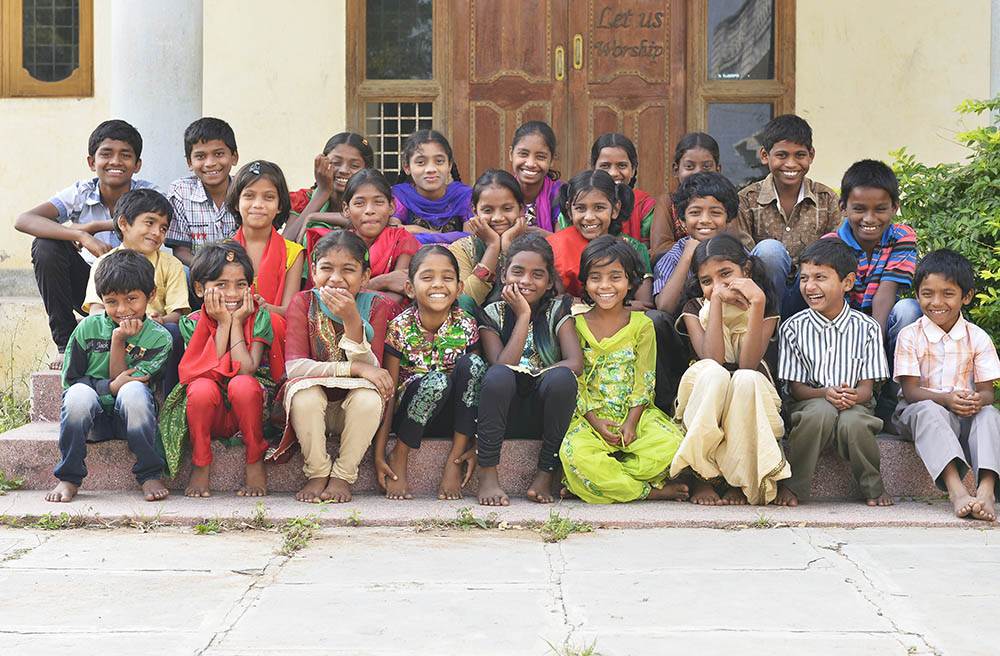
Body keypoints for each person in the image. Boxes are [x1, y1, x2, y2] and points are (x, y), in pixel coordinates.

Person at [559, 236, 689, 504]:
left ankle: (594, 482)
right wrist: (594, 421)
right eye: (595, 277)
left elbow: (645, 379)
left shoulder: (642, 324)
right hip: (588, 418)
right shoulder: (575, 323)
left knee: (672, 446)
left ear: (630, 281)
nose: (605, 285)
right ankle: (648, 491)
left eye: (615, 277)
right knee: (575, 454)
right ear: (585, 282)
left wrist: (631, 423)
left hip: (634, 416)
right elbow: (576, 380)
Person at [14, 119, 159, 358]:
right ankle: (66, 344)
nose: (115, 161)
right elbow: (24, 220)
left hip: (138, 289)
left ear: (137, 165)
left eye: (125, 155)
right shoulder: (82, 192)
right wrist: (80, 234)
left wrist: (94, 226)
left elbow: (146, 224)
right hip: (90, 288)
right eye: (106, 154)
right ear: (92, 162)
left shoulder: (148, 194)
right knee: (46, 245)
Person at [273, 231, 393, 503]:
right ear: (314, 271)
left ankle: (343, 476)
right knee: (305, 394)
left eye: (348, 270)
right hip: (311, 413)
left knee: (369, 398)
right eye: (327, 268)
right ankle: (317, 472)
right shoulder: (303, 302)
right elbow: (296, 368)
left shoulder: (375, 305)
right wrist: (353, 369)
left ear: (365, 276)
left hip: (354, 414)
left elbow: (373, 372)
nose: (336, 278)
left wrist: (352, 320)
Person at [157, 242, 285, 498]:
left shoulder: (258, 317)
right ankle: (201, 461)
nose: (232, 293)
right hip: (208, 411)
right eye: (221, 285)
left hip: (249, 410)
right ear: (199, 289)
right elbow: (207, 371)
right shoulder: (191, 322)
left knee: (242, 384)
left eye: (241, 284)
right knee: (201, 388)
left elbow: (246, 369)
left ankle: (254, 459)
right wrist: (223, 323)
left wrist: (236, 323)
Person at [46, 250, 171, 503]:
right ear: (101, 299)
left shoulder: (159, 338)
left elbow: (127, 382)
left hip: (132, 421)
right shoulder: (87, 328)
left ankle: (149, 474)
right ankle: (69, 477)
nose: (122, 309)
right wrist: (110, 386)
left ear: (151, 295)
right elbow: (71, 381)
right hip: (92, 422)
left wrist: (118, 341)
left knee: (133, 392)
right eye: (112, 301)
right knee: (77, 396)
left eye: (131, 298)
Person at [672, 235, 789, 505]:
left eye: (725, 274)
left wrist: (757, 304)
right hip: (708, 385)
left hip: (748, 387)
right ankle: (701, 476)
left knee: (745, 379)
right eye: (707, 281)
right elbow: (713, 358)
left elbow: (748, 364)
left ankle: (741, 479)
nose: (718, 286)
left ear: (746, 270)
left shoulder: (764, 305)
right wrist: (715, 303)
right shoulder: (695, 308)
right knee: (716, 375)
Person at [776, 238, 892, 507]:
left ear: (847, 282)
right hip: (809, 404)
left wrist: (852, 397)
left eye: (820, 277)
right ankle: (794, 485)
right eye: (804, 278)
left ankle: (873, 487)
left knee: (854, 422)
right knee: (821, 412)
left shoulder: (867, 328)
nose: (809, 286)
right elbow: (796, 389)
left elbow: (867, 389)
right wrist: (825, 394)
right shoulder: (792, 328)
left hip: (857, 404)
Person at [474, 233, 583, 506]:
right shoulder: (491, 313)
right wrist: (523, 315)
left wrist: (534, 375)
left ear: (549, 282)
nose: (526, 280)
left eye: (537, 275)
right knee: (498, 376)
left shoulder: (558, 310)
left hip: (545, 411)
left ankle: (546, 473)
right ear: (503, 275)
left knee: (562, 378)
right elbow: (502, 365)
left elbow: (575, 363)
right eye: (518, 272)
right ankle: (487, 474)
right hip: (503, 412)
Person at [893, 249, 1000, 521]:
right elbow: (911, 392)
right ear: (917, 295)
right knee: (930, 410)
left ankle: (986, 490)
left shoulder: (977, 338)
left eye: (948, 294)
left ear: (967, 296)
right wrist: (947, 400)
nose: (936, 302)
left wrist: (978, 400)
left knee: (990, 414)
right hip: (917, 413)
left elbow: (988, 393)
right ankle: (957, 491)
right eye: (927, 294)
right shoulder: (910, 335)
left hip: (963, 416)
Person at [374, 246, 485, 500]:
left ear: (459, 288)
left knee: (475, 365)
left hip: (453, 417)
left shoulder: (467, 324)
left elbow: (476, 387)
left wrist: (476, 444)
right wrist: (379, 454)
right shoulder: (400, 328)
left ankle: (454, 460)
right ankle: (400, 455)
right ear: (410, 288)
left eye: (447, 278)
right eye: (427, 277)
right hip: (409, 416)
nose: (438, 284)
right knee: (437, 381)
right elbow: (388, 394)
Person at [823, 159, 922, 420]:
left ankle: (894, 402)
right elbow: (832, 306)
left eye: (880, 209)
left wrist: (873, 343)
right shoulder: (831, 246)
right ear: (843, 207)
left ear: (895, 207)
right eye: (859, 209)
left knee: (909, 310)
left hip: (883, 323)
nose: (869, 219)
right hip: (843, 330)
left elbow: (886, 292)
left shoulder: (902, 237)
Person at [82, 188, 189, 395]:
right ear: (123, 223)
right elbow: (95, 310)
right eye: (149, 223)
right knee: (91, 329)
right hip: (114, 332)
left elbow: (178, 313)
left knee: (174, 332)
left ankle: (170, 398)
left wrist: (161, 321)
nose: (157, 232)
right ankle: (103, 394)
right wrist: (119, 323)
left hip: (152, 335)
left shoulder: (171, 265)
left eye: (163, 228)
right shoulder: (103, 263)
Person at [737, 114, 842, 316]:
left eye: (800, 155)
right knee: (770, 251)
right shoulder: (747, 200)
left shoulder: (827, 199)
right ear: (765, 155)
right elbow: (744, 258)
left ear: (811, 155)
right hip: (762, 299)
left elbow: (837, 253)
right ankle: (771, 328)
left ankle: (812, 328)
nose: (791, 164)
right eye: (782, 155)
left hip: (812, 297)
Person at [307, 169, 418, 310]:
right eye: (360, 203)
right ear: (346, 209)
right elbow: (324, 294)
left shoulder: (402, 239)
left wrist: (352, 289)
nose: (369, 210)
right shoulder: (337, 245)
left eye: (378, 202)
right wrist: (382, 281)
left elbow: (396, 297)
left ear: (391, 207)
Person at [547, 169, 653, 305]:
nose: (589, 217)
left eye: (599, 208)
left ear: (615, 209)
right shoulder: (553, 247)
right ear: (569, 210)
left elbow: (644, 303)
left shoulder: (633, 248)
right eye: (580, 208)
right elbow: (554, 300)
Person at [653, 172, 740, 315]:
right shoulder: (674, 256)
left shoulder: (737, 252)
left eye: (715, 213)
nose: (705, 220)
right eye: (695, 212)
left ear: (728, 219)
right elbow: (664, 307)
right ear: (682, 221)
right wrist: (687, 256)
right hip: (683, 325)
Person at [227, 160, 304, 320]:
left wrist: (264, 308)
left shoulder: (293, 253)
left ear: (280, 206)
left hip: (274, 329)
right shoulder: (223, 251)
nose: (258, 204)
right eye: (249, 196)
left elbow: (290, 311)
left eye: (269, 197)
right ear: (236, 203)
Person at [165, 117, 240, 267]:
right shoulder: (181, 191)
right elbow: (181, 251)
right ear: (190, 163)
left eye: (219, 154)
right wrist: (210, 271)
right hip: (198, 270)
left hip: (241, 271)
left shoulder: (245, 191)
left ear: (234, 157)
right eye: (200, 156)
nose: (210, 163)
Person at [450, 169, 527, 313]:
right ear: (475, 211)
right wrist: (492, 246)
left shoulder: (535, 246)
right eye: (487, 210)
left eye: (507, 208)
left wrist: (507, 246)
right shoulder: (462, 249)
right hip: (476, 323)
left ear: (521, 208)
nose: (498, 218)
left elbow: (530, 293)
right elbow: (465, 300)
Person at [283, 132, 375, 244]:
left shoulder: (373, 202)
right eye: (336, 162)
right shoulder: (304, 199)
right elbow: (285, 245)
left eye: (354, 166)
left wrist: (314, 217)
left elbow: (364, 223)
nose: (344, 170)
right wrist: (323, 191)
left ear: (367, 170)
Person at [391, 130, 473, 244]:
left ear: (449, 165)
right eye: (421, 162)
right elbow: (392, 235)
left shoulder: (463, 196)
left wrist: (415, 232)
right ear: (407, 167)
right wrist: (445, 237)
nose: (431, 169)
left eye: (439, 161)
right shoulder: (401, 196)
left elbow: (470, 240)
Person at [649, 132, 722, 259]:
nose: (698, 172)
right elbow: (659, 250)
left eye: (706, 166)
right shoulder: (668, 202)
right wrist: (694, 247)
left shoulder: (724, 201)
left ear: (718, 170)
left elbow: (732, 243)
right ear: (676, 170)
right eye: (689, 166)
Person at [580, 133, 656, 247]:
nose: (613, 173)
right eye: (605, 166)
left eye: (622, 165)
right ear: (593, 167)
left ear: (633, 169)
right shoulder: (578, 203)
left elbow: (647, 250)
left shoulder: (644, 205)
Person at [509, 120, 564, 234]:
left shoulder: (560, 195)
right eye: (523, 154)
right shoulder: (500, 192)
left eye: (540, 157)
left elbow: (562, 241)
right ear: (511, 154)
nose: (530, 164)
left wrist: (542, 237)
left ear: (551, 160)